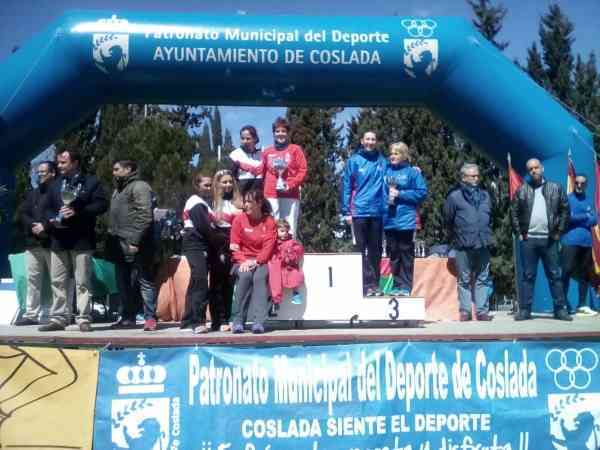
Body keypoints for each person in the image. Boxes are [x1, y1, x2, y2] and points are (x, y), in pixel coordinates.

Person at [39, 149, 108, 332]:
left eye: (63, 162)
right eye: (58, 162)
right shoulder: (54, 185)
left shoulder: (91, 182)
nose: (59, 166)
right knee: (57, 280)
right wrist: (52, 219)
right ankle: (58, 318)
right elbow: (45, 208)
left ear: (75, 163)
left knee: (82, 281)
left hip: (81, 239)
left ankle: (83, 318)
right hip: (58, 239)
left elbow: (101, 205)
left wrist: (79, 212)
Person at [510, 158, 571, 321]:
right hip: (529, 240)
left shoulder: (556, 188)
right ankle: (525, 310)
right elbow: (513, 213)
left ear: (542, 169)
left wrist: (559, 231)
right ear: (528, 171)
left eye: (536, 167)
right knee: (528, 276)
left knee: (554, 275)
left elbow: (565, 210)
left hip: (550, 240)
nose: (534, 171)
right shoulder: (522, 190)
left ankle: (560, 310)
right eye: (530, 169)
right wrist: (520, 233)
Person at [106, 160, 158, 332]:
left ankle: (150, 318)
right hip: (119, 245)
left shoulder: (140, 186)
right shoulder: (118, 190)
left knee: (145, 281)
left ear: (128, 169)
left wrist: (135, 241)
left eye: (117, 169)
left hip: (138, 244)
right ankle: (127, 318)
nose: (113, 172)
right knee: (123, 282)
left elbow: (145, 215)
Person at [443, 163, 494, 321]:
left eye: (478, 175)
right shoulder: (454, 196)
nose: (476, 178)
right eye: (472, 176)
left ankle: (481, 311)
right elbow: (447, 219)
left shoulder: (485, 195)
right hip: (463, 243)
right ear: (464, 177)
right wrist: (457, 235)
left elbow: (490, 217)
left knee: (483, 278)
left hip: (483, 242)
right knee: (464, 279)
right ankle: (465, 311)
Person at [242, 117, 307, 237]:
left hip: (290, 194)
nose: (280, 134)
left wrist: (290, 184)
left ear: (288, 133)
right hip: (270, 194)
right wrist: (242, 165)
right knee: (271, 225)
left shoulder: (295, 150)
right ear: (273, 133)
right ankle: (271, 252)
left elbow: (302, 170)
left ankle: (289, 252)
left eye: (283, 131)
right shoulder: (267, 151)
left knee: (289, 226)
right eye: (277, 131)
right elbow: (260, 169)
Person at [341, 131, 386, 297]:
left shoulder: (382, 161)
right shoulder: (354, 160)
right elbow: (346, 185)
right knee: (359, 249)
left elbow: (393, 174)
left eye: (373, 139)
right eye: (368, 139)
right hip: (359, 211)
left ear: (376, 142)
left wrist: (412, 169)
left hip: (378, 212)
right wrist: (346, 211)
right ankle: (362, 284)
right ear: (362, 141)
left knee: (376, 250)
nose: (370, 142)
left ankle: (375, 285)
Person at [180, 172, 225, 334]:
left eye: (210, 185)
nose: (208, 188)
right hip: (196, 244)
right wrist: (222, 240)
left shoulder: (205, 204)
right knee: (200, 281)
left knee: (195, 281)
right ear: (196, 186)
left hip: (202, 244)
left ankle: (187, 320)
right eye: (205, 185)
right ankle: (197, 321)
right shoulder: (196, 202)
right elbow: (204, 228)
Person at [230, 189, 277, 334]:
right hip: (241, 261)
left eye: (249, 201)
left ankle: (258, 322)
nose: (245, 205)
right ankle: (238, 322)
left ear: (259, 203)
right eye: (244, 202)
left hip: (261, 261)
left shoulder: (269, 221)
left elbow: (268, 247)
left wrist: (256, 261)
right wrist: (243, 261)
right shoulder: (239, 220)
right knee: (245, 276)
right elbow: (234, 245)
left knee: (259, 277)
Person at [383, 142, 427, 297]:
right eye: (391, 153)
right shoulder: (385, 170)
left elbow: (422, 193)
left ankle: (406, 287)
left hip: (406, 220)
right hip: (388, 219)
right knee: (393, 254)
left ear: (403, 155)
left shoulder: (413, 173)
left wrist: (401, 194)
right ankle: (396, 285)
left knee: (406, 254)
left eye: (396, 153)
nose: (393, 156)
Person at [15, 161, 56, 326]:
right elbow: (23, 213)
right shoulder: (32, 193)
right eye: (38, 172)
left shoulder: (59, 191)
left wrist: (44, 227)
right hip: (33, 243)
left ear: (53, 173)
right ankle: (31, 314)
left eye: (43, 172)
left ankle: (57, 315)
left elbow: (60, 213)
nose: (39, 175)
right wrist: (33, 226)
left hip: (52, 242)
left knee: (57, 280)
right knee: (33, 280)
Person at [210, 169, 243, 331]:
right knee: (217, 282)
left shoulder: (239, 202)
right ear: (217, 183)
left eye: (230, 181)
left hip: (235, 243)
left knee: (230, 283)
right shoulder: (212, 202)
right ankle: (218, 319)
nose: (228, 184)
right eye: (224, 182)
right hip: (218, 242)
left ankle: (229, 318)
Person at [561, 174, 597, 316]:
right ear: (574, 183)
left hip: (587, 242)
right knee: (566, 271)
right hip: (570, 241)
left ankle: (581, 305)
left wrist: (579, 217)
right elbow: (568, 218)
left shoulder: (589, 200)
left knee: (585, 275)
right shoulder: (568, 199)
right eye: (577, 183)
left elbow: (594, 220)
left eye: (582, 183)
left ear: (586, 185)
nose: (579, 185)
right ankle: (562, 303)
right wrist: (585, 216)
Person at [268, 219, 305, 307]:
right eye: (282, 231)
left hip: (289, 266)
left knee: (295, 275)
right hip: (277, 266)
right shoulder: (273, 242)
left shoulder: (291, 241)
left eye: (286, 231)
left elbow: (299, 250)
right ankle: (275, 300)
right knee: (275, 279)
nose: (285, 233)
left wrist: (291, 256)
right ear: (276, 231)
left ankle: (296, 293)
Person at [227, 125, 263, 193]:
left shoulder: (262, 155)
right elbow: (231, 177)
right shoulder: (234, 155)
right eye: (242, 138)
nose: (245, 141)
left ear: (255, 139)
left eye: (248, 138)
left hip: (258, 194)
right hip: (241, 192)